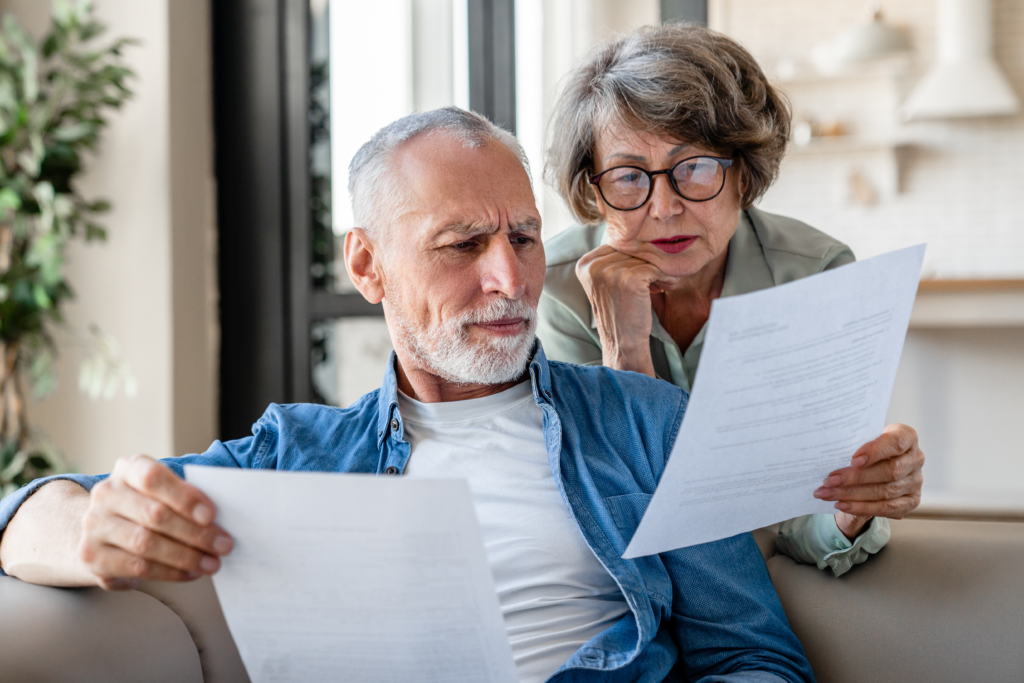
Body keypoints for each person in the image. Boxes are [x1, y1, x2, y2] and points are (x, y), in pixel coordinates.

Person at [0, 108, 813, 683]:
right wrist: (90, 530)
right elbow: (20, 511)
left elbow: (752, 655)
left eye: (524, 238)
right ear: (366, 266)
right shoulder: (296, 452)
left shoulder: (646, 421)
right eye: (462, 244)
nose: (510, 280)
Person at [538, 24, 924, 577]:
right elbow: (608, 515)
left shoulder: (814, 277)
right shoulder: (557, 289)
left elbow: (800, 515)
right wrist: (624, 353)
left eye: (693, 167)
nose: (664, 207)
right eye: (627, 176)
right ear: (594, 192)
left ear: (743, 172)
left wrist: (851, 509)